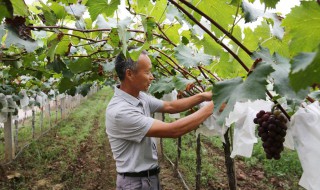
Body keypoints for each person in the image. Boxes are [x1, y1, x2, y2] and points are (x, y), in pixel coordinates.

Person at [105, 50, 217, 190]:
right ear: (129, 74)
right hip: (135, 184)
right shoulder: (121, 112)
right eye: (147, 72)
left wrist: (203, 97)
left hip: (148, 179)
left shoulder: (139, 97)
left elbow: (170, 106)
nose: (152, 77)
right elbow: (173, 130)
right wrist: (213, 106)